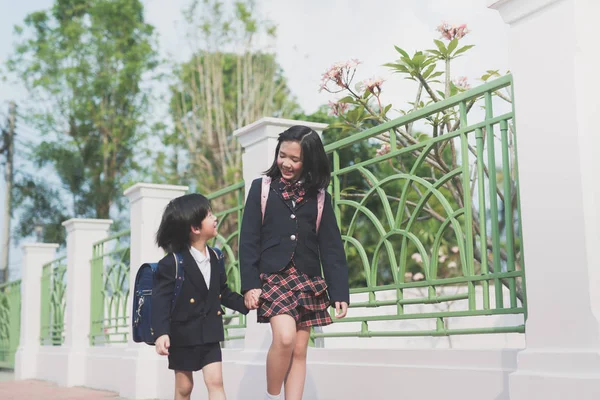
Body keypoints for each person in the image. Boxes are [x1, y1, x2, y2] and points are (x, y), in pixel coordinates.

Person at [240, 125, 350, 400]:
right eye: (282, 155)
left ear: (309, 161)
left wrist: (339, 292)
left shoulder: (321, 197)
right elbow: (248, 241)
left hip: (308, 279)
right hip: (273, 278)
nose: (286, 163)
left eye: (295, 159)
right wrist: (250, 284)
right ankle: (272, 392)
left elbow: (332, 247)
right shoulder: (262, 189)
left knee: (300, 351)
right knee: (285, 338)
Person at [153, 193, 249, 400]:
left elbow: (222, 292)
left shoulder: (216, 256)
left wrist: (246, 303)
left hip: (210, 332)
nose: (215, 218)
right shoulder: (172, 263)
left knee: (216, 382)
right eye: (209, 215)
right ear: (195, 228)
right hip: (183, 334)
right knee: (184, 388)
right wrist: (161, 333)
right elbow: (160, 302)